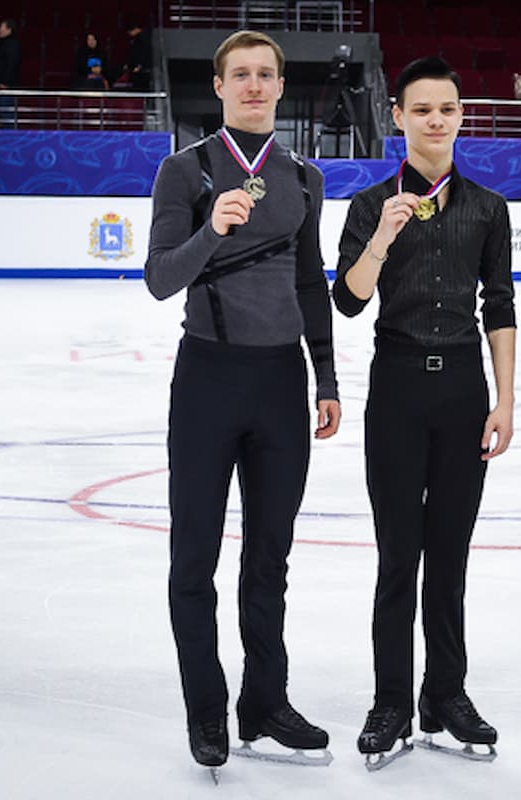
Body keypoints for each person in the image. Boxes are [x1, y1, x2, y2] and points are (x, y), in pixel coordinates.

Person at [143, 29, 341, 773]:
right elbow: (161, 279)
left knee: (270, 558)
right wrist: (211, 231)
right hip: (207, 380)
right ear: (219, 88)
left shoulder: (303, 176)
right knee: (194, 558)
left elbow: (308, 283)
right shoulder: (184, 171)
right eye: (241, 75)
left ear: (280, 87)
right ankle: (207, 712)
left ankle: (264, 703)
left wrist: (324, 377)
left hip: (280, 384)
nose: (254, 86)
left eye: (266, 75)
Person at [333, 56, 515, 768]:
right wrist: (381, 236)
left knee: (449, 556)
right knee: (396, 557)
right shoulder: (369, 204)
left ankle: (445, 693)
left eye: (447, 109)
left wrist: (504, 399)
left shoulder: (487, 208)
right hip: (398, 391)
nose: (435, 120)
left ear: (459, 117)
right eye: (422, 110)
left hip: (464, 392)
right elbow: (346, 301)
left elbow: (499, 306)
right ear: (399, 118)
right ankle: (390, 702)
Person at [0, 18, 21, 127]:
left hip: (7, 87)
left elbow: (11, 64)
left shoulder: (12, 44)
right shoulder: (3, 44)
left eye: (1, 27)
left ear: (9, 30)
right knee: (3, 113)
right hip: (1, 86)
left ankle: (10, 137)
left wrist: (5, 82)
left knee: (7, 113)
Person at [118, 22, 151, 90]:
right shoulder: (136, 39)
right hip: (136, 67)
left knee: (140, 86)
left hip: (140, 69)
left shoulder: (142, 38)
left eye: (130, 32)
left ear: (135, 29)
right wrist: (129, 64)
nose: (130, 34)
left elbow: (143, 53)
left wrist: (139, 65)